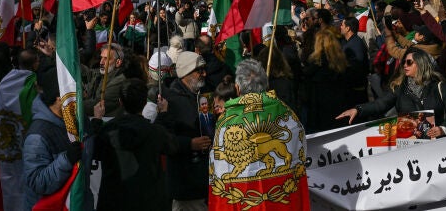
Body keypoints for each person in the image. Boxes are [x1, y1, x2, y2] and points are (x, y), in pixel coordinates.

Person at [209, 58, 309, 209]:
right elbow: (301, 152)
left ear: (237, 88)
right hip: (284, 202)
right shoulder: (287, 112)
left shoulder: (226, 121)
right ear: (266, 85)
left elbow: (219, 168)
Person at [337, 47, 446, 137]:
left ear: (420, 64)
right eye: (404, 62)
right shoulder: (399, 88)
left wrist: (443, 129)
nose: (404, 66)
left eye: (409, 62)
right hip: (409, 147)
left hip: (437, 145)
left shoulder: (439, 87)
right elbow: (380, 104)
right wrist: (358, 109)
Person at [22, 64, 96, 210]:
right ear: (60, 98)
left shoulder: (80, 120)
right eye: (75, 94)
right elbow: (37, 182)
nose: (83, 96)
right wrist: (66, 160)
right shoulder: (38, 135)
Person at [95, 78, 175, 211]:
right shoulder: (154, 132)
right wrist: (164, 114)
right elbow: (170, 144)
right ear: (145, 103)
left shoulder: (108, 131)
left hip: (115, 202)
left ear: (120, 102)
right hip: (147, 202)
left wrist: (97, 120)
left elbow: (95, 152)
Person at [158, 51, 210, 210]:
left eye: (204, 69)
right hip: (185, 184)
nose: (204, 74)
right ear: (186, 73)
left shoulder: (201, 96)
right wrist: (190, 144)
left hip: (202, 182)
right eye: (199, 70)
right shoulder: (170, 101)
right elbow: (163, 140)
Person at [0, 49, 40, 211]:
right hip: (26, 138)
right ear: (35, 64)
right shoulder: (34, 82)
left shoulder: (5, 81)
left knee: (11, 178)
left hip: (9, 137)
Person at [304, 30, 350, 133]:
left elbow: (306, 74)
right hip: (338, 103)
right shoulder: (339, 58)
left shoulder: (317, 60)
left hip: (320, 106)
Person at [85, 42, 128, 117]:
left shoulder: (120, 81)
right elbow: (85, 72)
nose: (101, 62)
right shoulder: (98, 75)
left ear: (118, 62)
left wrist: (72, 106)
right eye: (101, 58)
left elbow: (97, 104)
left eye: (106, 58)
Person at [340, 16, 369, 105]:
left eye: (342, 25)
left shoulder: (355, 45)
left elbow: (357, 67)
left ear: (348, 28)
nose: (340, 27)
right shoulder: (351, 42)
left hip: (355, 91)